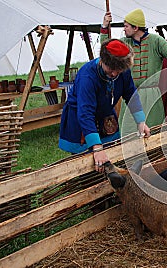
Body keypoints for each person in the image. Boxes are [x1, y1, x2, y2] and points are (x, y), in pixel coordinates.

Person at [59, 38, 150, 173]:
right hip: (81, 120)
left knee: (113, 157)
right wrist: (97, 147)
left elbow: (131, 94)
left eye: (117, 70)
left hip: (105, 117)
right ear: (102, 60)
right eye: (111, 69)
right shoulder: (87, 76)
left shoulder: (122, 71)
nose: (114, 74)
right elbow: (85, 113)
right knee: (88, 166)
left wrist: (141, 121)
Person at [101, 8, 167, 128]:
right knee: (129, 131)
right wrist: (104, 25)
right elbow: (106, 49)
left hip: (151, 95)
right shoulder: (125, 43)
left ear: (135, 28)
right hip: (131, 94)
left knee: (153, 131)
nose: (124, 29)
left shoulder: (156, 41)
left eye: (126, 26)